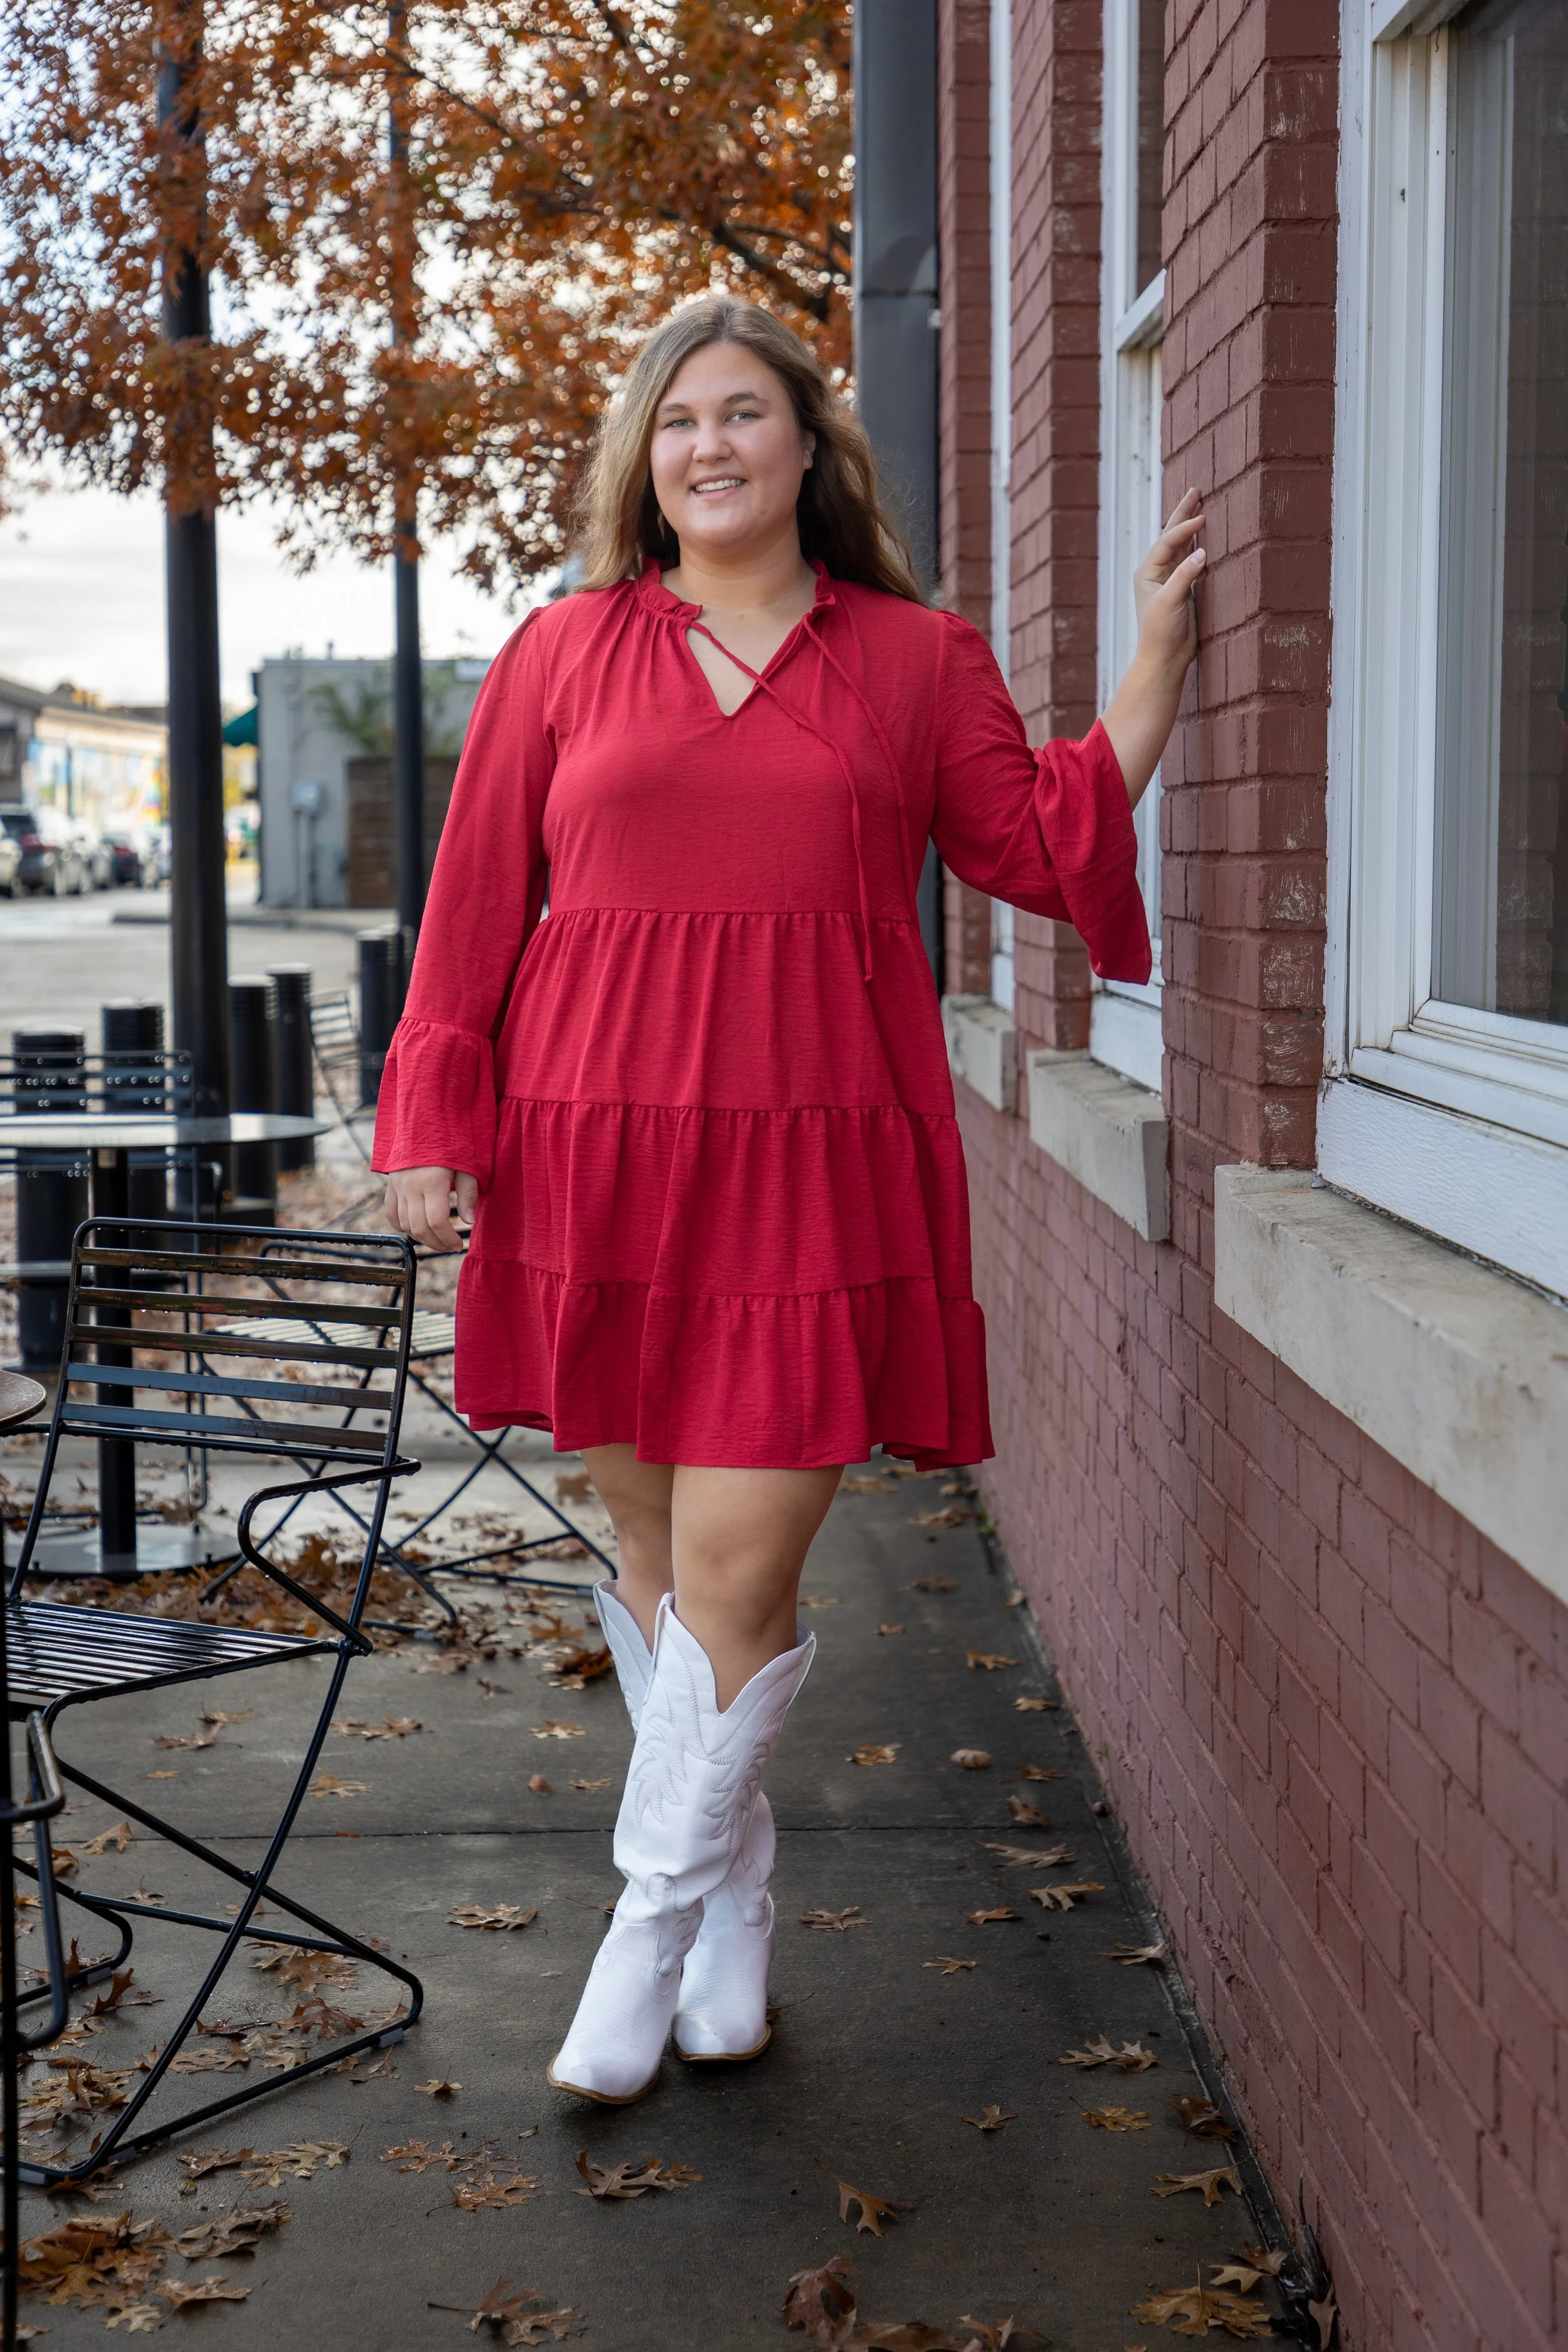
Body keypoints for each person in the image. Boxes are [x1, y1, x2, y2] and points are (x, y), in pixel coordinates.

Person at [375, 293, 1203, 2106]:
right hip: (594, 1151)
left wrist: (1152, 664)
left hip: (812, 1157)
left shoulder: (912, 660)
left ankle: (645, 1925)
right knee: (661, 1561)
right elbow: (463, 915)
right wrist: (433, 1127)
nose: (710, 446)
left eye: (744, 412)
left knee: (742, 1570)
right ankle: (738, 1906)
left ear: (807, 449)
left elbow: (1042, 837)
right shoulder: (560, 652)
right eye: (677, 422)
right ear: (641, 463)